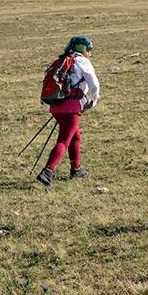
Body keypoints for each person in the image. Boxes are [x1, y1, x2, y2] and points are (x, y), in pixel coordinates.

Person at [36, 35, 100, 186]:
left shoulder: (62, 60)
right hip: (71, 107)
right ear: (83, 49)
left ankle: (76, 169)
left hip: (55, 105)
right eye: (89, 50)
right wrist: (93, 101)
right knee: (64, 140)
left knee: (75, 136)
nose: (90, 53)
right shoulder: (82, 61)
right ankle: (48, 171)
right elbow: (94, 85)